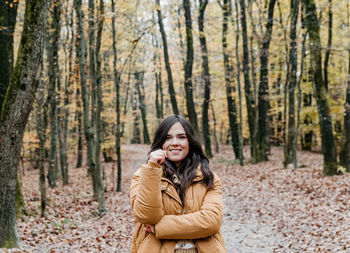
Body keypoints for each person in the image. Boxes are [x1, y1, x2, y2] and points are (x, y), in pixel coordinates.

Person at [129, 115, 226, 253]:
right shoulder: (143, 176)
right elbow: (147, 217)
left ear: (190, 142)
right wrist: (152, 170)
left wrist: (159, 228)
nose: (175, 143)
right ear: (160, 143)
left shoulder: (208, 178)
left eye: (181, 137)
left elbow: (211, 222)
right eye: (168, 138)